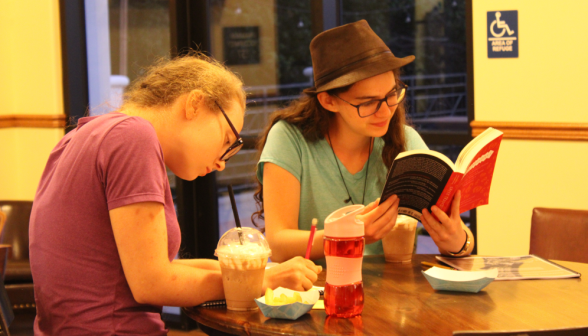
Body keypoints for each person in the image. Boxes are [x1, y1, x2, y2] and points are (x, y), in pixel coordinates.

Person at [29, 52, 322, 335]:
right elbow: (153, 283)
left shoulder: (80, 136)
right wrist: (259, 281)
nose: (222, 161)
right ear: (195, 103)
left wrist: (256, 271)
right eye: (226, 140)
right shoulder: (133, 137)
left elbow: (157, 267)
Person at [253, 20, 474, 263]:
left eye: (391, 95)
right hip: (316, 289)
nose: (386, 112)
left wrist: (456, 240)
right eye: (368, 103)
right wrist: (350, 234)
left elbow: (463, 241)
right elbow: (278, 244)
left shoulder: (405, 141)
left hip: (395, 292)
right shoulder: (289, 138)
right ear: (328, 101)